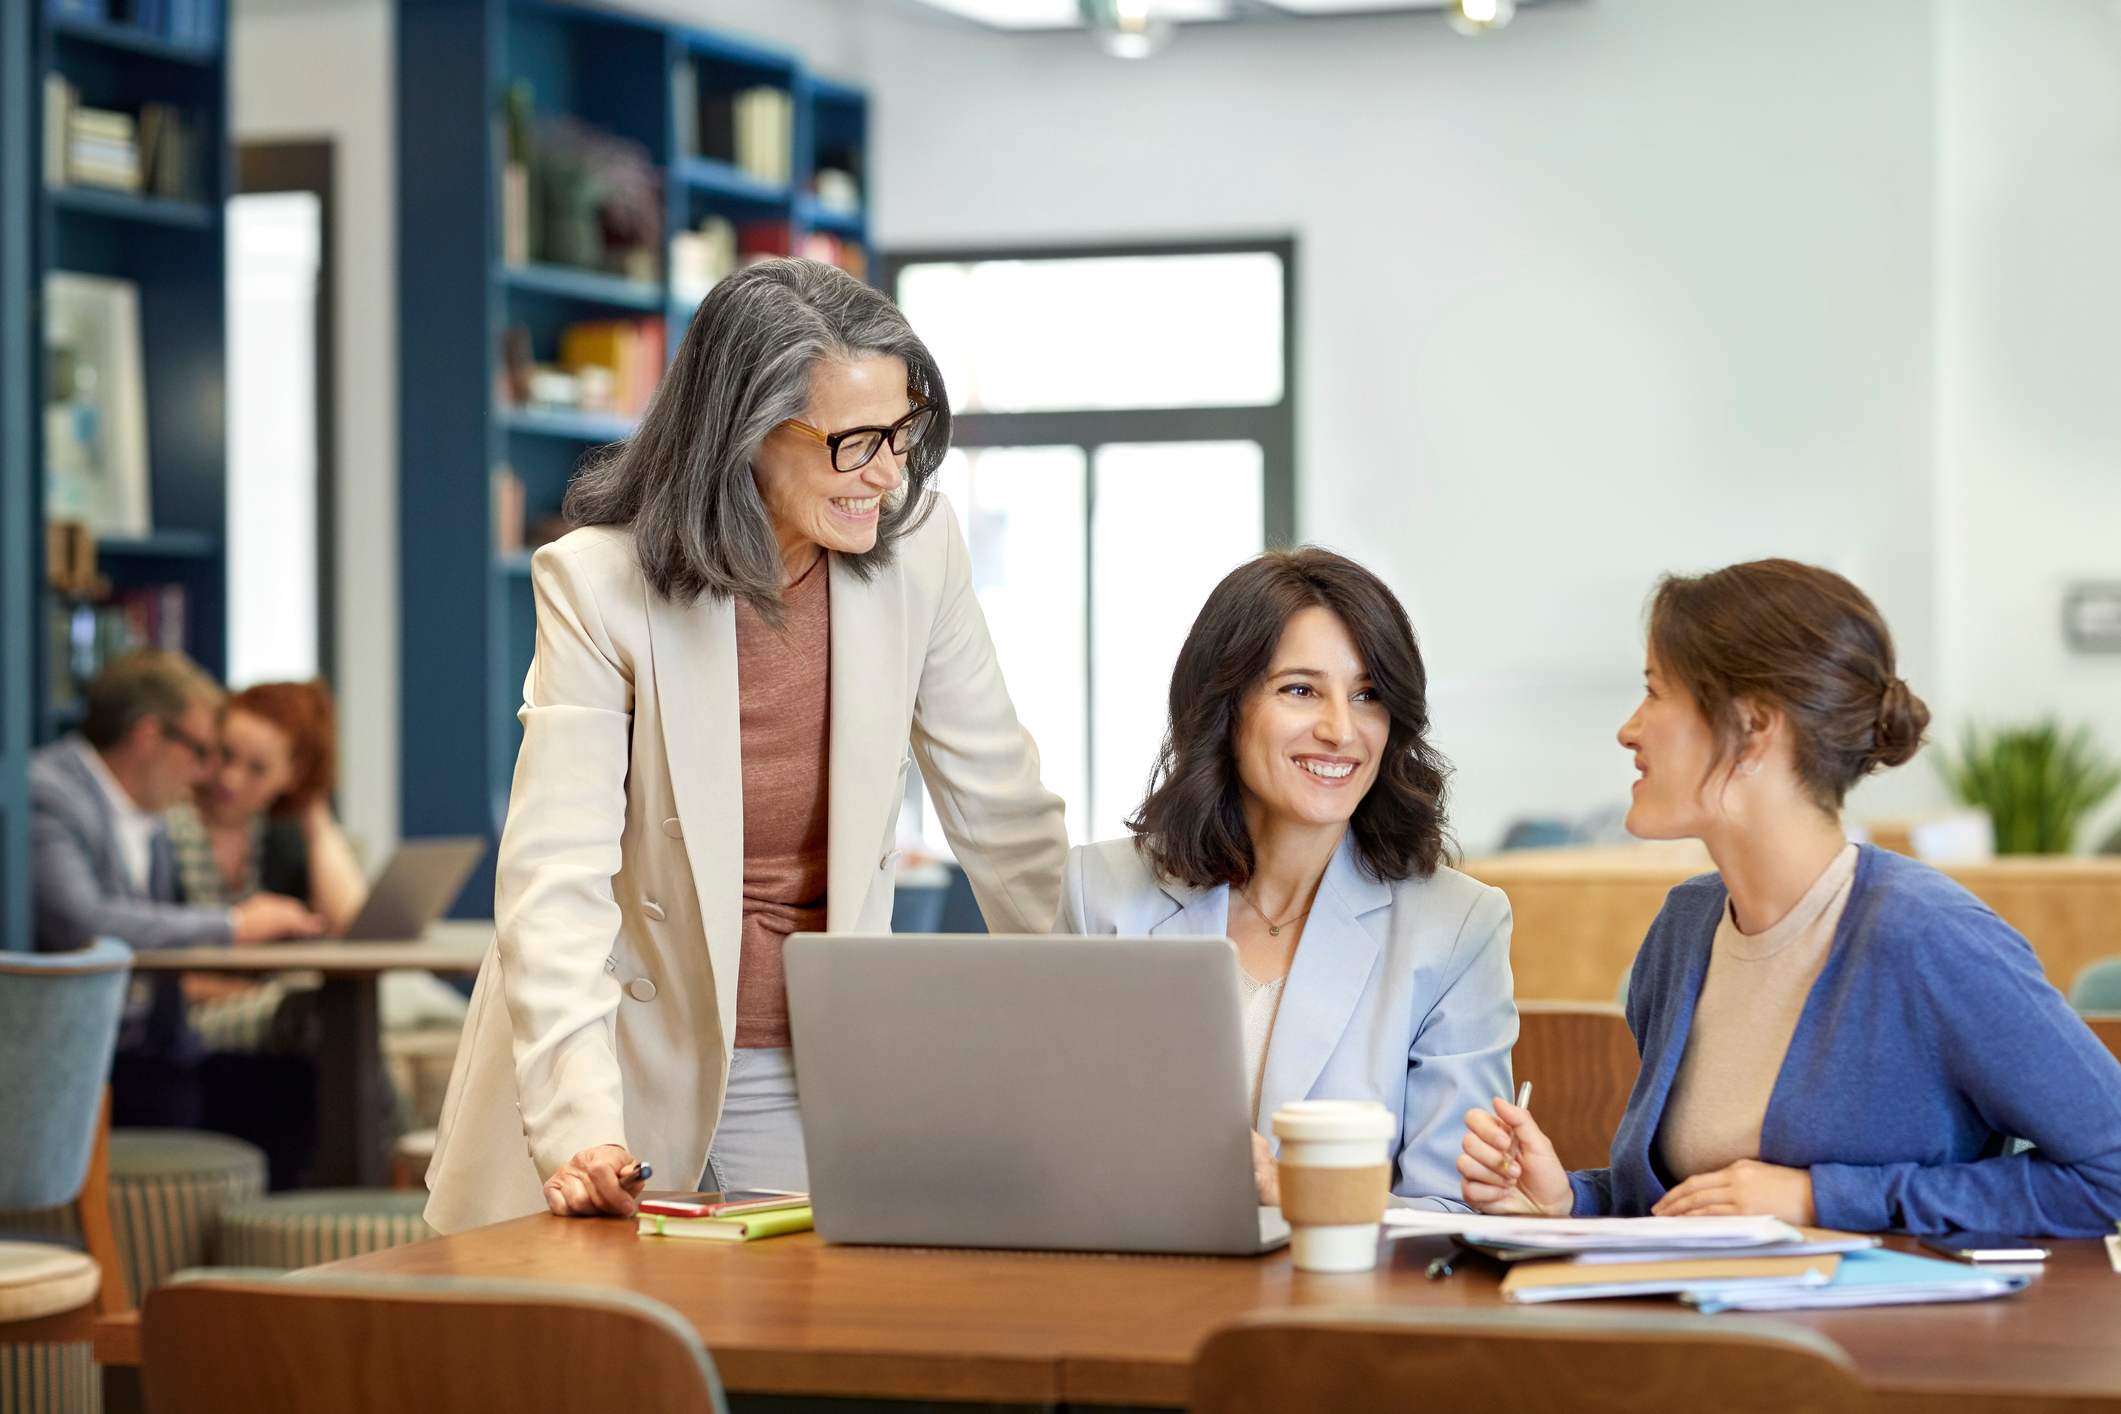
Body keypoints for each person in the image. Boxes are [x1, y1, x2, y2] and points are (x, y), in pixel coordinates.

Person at [424, 258, 1068, 1232]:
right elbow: (557, 878)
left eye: (903, 432)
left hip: (809, 1062)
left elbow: (1004, 814)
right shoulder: (600, 585)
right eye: (857, 442)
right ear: (746, 434)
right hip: (614, 1060)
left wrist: (1111, 1036)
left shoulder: (918, 549)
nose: (890, 472)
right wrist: (580, 1129)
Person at [1459, 559, 2121, 1236]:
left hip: (1878, 1338)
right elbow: (1706, 1201)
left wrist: (1819, 1199)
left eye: (1655, 693)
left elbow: (2111, 1172)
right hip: (1716, 1328)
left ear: (1752, 728)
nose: (1629, 729)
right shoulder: (1683, 930)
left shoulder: (1929, 936)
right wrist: (1567, 1202)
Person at [1060, 548, 1515, 1210]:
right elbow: (1055, 1152)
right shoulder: (1099, 893)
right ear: (1224, 706)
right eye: (1299, 690)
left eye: (1368, 696)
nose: (1339, 730)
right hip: (1135, 1284)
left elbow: (1451, 1212)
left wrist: (1293, 1194)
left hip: (1338, 1302)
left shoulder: (1456, 926)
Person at [29, 649, 323, 1131]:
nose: (209, 775)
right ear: (149, 736)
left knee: (285, 1087)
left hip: (146, 1052)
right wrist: (235, 924)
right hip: (79, 1061)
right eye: (203, 752)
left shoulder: (149, 819)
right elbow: (83, 923)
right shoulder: (50, 794)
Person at [165, 679, 367, 932]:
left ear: (293, 775)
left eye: (257, 769)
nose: (231, 780)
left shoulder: (284, 835)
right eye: (226, 754)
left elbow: (349, 924)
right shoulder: (165, 816)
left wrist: (315, 816)